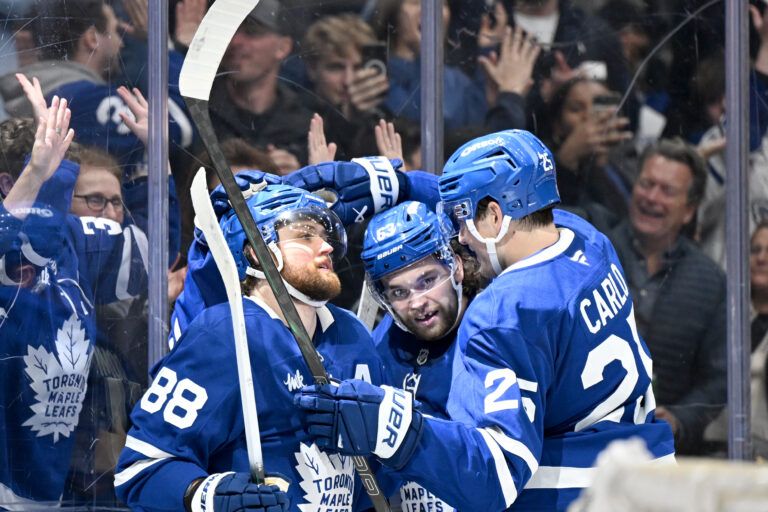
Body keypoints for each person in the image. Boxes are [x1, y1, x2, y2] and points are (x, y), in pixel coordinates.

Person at [293, 129, 675, 511]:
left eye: (462, 218)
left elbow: (494, 477)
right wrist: (404, 183)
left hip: (582, 497)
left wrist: (396, 430)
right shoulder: (587, 240)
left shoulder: (500, 315)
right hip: (654, 477)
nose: (460, 236)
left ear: (494, 213)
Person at [114, 184, 385, 511]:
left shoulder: (353, 335)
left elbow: (375, 480)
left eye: (324, 236)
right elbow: (140, 468)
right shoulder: (224, 334)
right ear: (257, 251)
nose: (325, 246)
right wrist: (209, 493)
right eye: (305, 235)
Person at [0, 97, 148, 508]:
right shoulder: (23, 237)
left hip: (50, 480)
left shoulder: (74, 238)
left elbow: (147, 251)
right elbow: (11, 254)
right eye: (57, 180)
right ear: (8, 183)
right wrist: (37, 173)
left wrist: (155, 163)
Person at [360, 200, 483, 510]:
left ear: (455, 265)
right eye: (398, 292)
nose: (417, 303)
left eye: (427, 281)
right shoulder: (384, 344)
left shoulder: (494, 330)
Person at [608, 138, 727, 455]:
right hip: (582, 440)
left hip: (665, 455)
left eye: (667, 191)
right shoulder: (593, 253)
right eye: (647, 184)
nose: (652, 198)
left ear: (689, 210)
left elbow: (720, 377)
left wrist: (679, 418)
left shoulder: (710, 281)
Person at [208, 0, 313, 171]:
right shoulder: (199, 108)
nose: (235, 41)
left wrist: (298, 180)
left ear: (283, 47)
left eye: (252, 31)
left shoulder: (307, 121)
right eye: (230, 30)